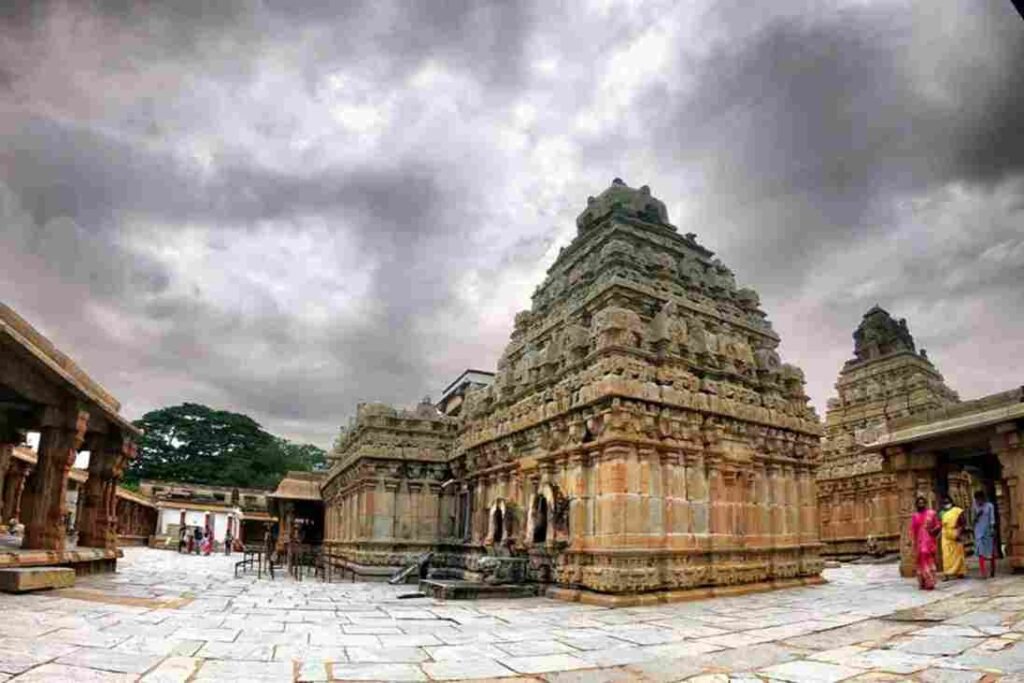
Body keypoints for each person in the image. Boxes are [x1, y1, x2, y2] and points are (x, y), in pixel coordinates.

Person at [910, 495, 941, 590]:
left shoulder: (931, 513)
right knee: (921, 560)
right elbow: (912, 530)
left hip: (929, 540)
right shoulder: (915, 516)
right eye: (919, 503)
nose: (921, 504)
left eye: (923, 503)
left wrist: (933, 531)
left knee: (929, 559)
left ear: (925, 503)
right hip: (919, 541)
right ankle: (923, 582)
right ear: (916, 505)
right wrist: (912, 542)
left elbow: (938, 525)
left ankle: (930, 582)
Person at [940, 495, 966, 580]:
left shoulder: (957, 511)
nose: (946, 504)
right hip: (945, 535)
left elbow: (963, 522)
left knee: (958, 554)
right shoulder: (942, 513)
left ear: (952, 502)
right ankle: (947, 573)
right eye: (945, 503)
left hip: (955, 532)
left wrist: (959, 532)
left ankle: (960, 572)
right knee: (946, 555)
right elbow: (939, 524)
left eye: (948, 502)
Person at [973, 490, 996, 578]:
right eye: (977, 499)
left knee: (990, 551)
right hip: (978, 531)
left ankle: (992, 570)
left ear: (983, 498)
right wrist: (977, 516)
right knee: (980, 551)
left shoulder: (990, 506)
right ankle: (983, 572)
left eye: (980, 499)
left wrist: (992, 528)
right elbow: (972, 519)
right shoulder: (974, 506)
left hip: (988, 530)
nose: (978, 501)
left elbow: (992, 518)